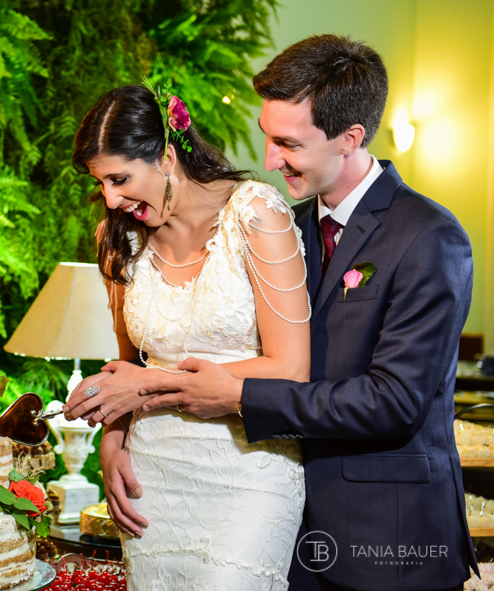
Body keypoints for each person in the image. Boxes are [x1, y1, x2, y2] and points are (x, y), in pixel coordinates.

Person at [90, 35, 478, 591]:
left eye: (287, 144)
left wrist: (233, 395)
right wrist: (119, 430)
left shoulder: (428, 237)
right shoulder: (280, 223)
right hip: (284, 519)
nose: (270, 161)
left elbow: (393, 402)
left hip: (386, 532)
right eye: (267, 138)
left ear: (350, 138)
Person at [63, 82, 311, 589]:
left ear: (167, 156)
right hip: (151, 478)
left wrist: (147, 386)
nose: (110, 198)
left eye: (120, 178)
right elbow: (126, 369)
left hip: (247, 475)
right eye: (100, 182)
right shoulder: (118, 238)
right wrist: (112, 443)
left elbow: (291, 368)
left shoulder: (256, 215)